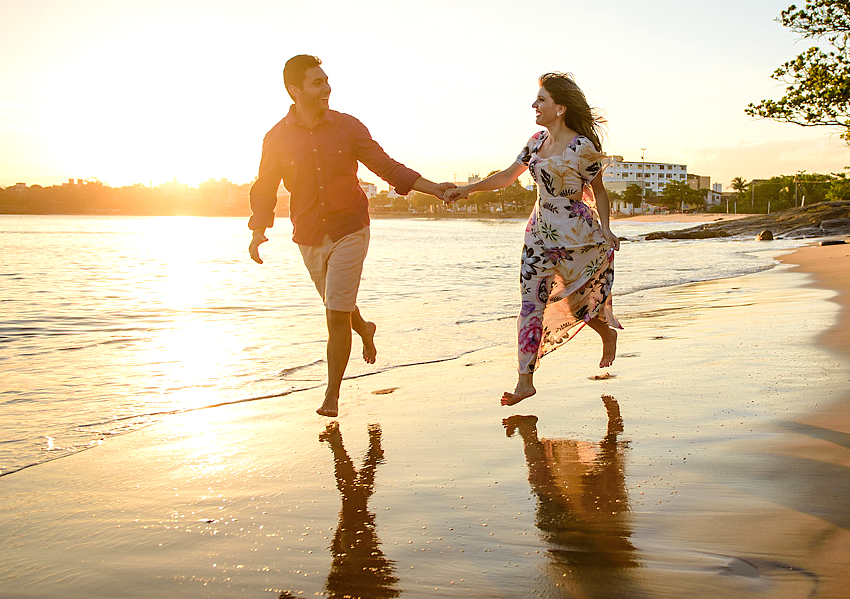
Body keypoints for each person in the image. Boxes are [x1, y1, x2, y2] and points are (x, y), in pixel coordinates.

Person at [248, 55, 453, 417]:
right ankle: (366, 329)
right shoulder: (276, 137)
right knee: (336, 305)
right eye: (317, 82)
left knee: (334, 315)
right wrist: (258, 229)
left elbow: (386, 166)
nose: (326, 88)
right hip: (308, 233)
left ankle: (331, 396)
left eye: (326, 80)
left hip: (350, 228)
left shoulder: (348, 127)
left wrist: (433, 188)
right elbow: (265, 187)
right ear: (295, 90)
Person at [445, 72, 621, 405]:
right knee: (530, 307)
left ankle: (606, 333)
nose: (534, 105)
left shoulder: (582, 147)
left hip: (577, 239)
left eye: (541, 100)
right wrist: (468, 189)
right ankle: (524, 382)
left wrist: (607, 229)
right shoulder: (536, 141)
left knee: (577, 304)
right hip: (538, 237)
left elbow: (598, 191)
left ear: (560, 108)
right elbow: (506, 176)